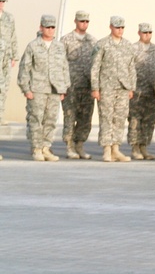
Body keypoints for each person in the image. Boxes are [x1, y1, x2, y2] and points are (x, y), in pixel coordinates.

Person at [17, 14, 69, 161]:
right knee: (36, 119)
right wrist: (26, 89)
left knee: (50, 120)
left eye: (53, 27)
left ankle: (46, 147)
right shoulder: (33, 46)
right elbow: (24, 68)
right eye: (48, 27)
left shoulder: (59, 46)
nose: (51, 30)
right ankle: (36, 148)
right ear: (41, 27)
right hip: (37, 89)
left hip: (54, 89)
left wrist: (63, 88)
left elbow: (64, 68)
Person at [91, 16, 136, 163]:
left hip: (123, 87)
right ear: (111, 27)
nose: (120, 30)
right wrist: (95, 88)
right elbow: (95, 67)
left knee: (120, 118)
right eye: (117, 27)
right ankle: (107, 150)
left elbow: (131, 67)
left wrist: (131, 87)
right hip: (107, 87)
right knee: (106, 118)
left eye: (122, 28)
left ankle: (116, 149)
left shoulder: (128, 45)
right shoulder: (102, 44)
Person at [60, 11, 96, 160]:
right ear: (75, 21)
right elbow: (60, 64)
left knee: (85, 118)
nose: (84, 24)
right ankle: (69, 146)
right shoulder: (66, 40)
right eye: (81, 21)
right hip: (71, 86)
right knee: (70, 116)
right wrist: (62, 87)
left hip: (87, 86)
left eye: (86, 21)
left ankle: (79, 145)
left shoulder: (92, 41)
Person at [127, 23, 155, 160]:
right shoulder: (133, 49)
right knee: (135, 120)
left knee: (150, 120)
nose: (147, 35)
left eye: (149, 32)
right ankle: (135, 147)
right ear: (139, 33)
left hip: (151, 91)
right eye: (144, 32)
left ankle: (144, 147)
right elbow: (127, 68)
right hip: (137, 91)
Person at [0, 0, 17, 148]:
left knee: (4, 86)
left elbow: (13, 36)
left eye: (2, 2)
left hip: (5, 55)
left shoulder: (8, 18)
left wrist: (14, 55)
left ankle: (1, 114)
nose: (1, 4)